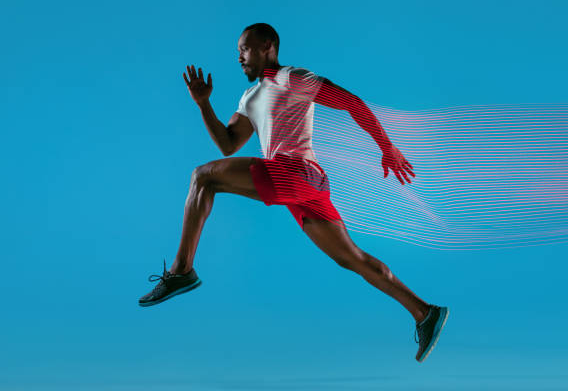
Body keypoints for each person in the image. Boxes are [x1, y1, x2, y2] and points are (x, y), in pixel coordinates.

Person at [138, 23, 449, 362]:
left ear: (268, 45)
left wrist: (387, 147)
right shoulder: (250, 97)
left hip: (297, 173)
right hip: (303, 186)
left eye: (244, 48)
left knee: (202, 177)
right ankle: (424, 312)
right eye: (237, 51)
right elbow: (227, 143)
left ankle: (182, 270)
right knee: (353, 259)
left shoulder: (292, 77)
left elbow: (351, 103)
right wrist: (203, 104)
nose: (238, 56)